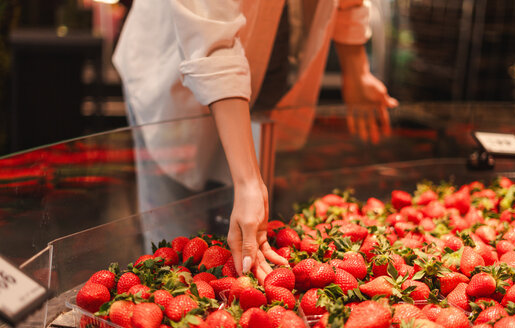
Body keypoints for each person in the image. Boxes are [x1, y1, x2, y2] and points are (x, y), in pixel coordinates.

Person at [112, 0, 397, 282]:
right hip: (176, 71)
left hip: (269, 74)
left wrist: (356, 66)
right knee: (178, 251)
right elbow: (212, 42)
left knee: (247, 235)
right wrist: (248, 181)